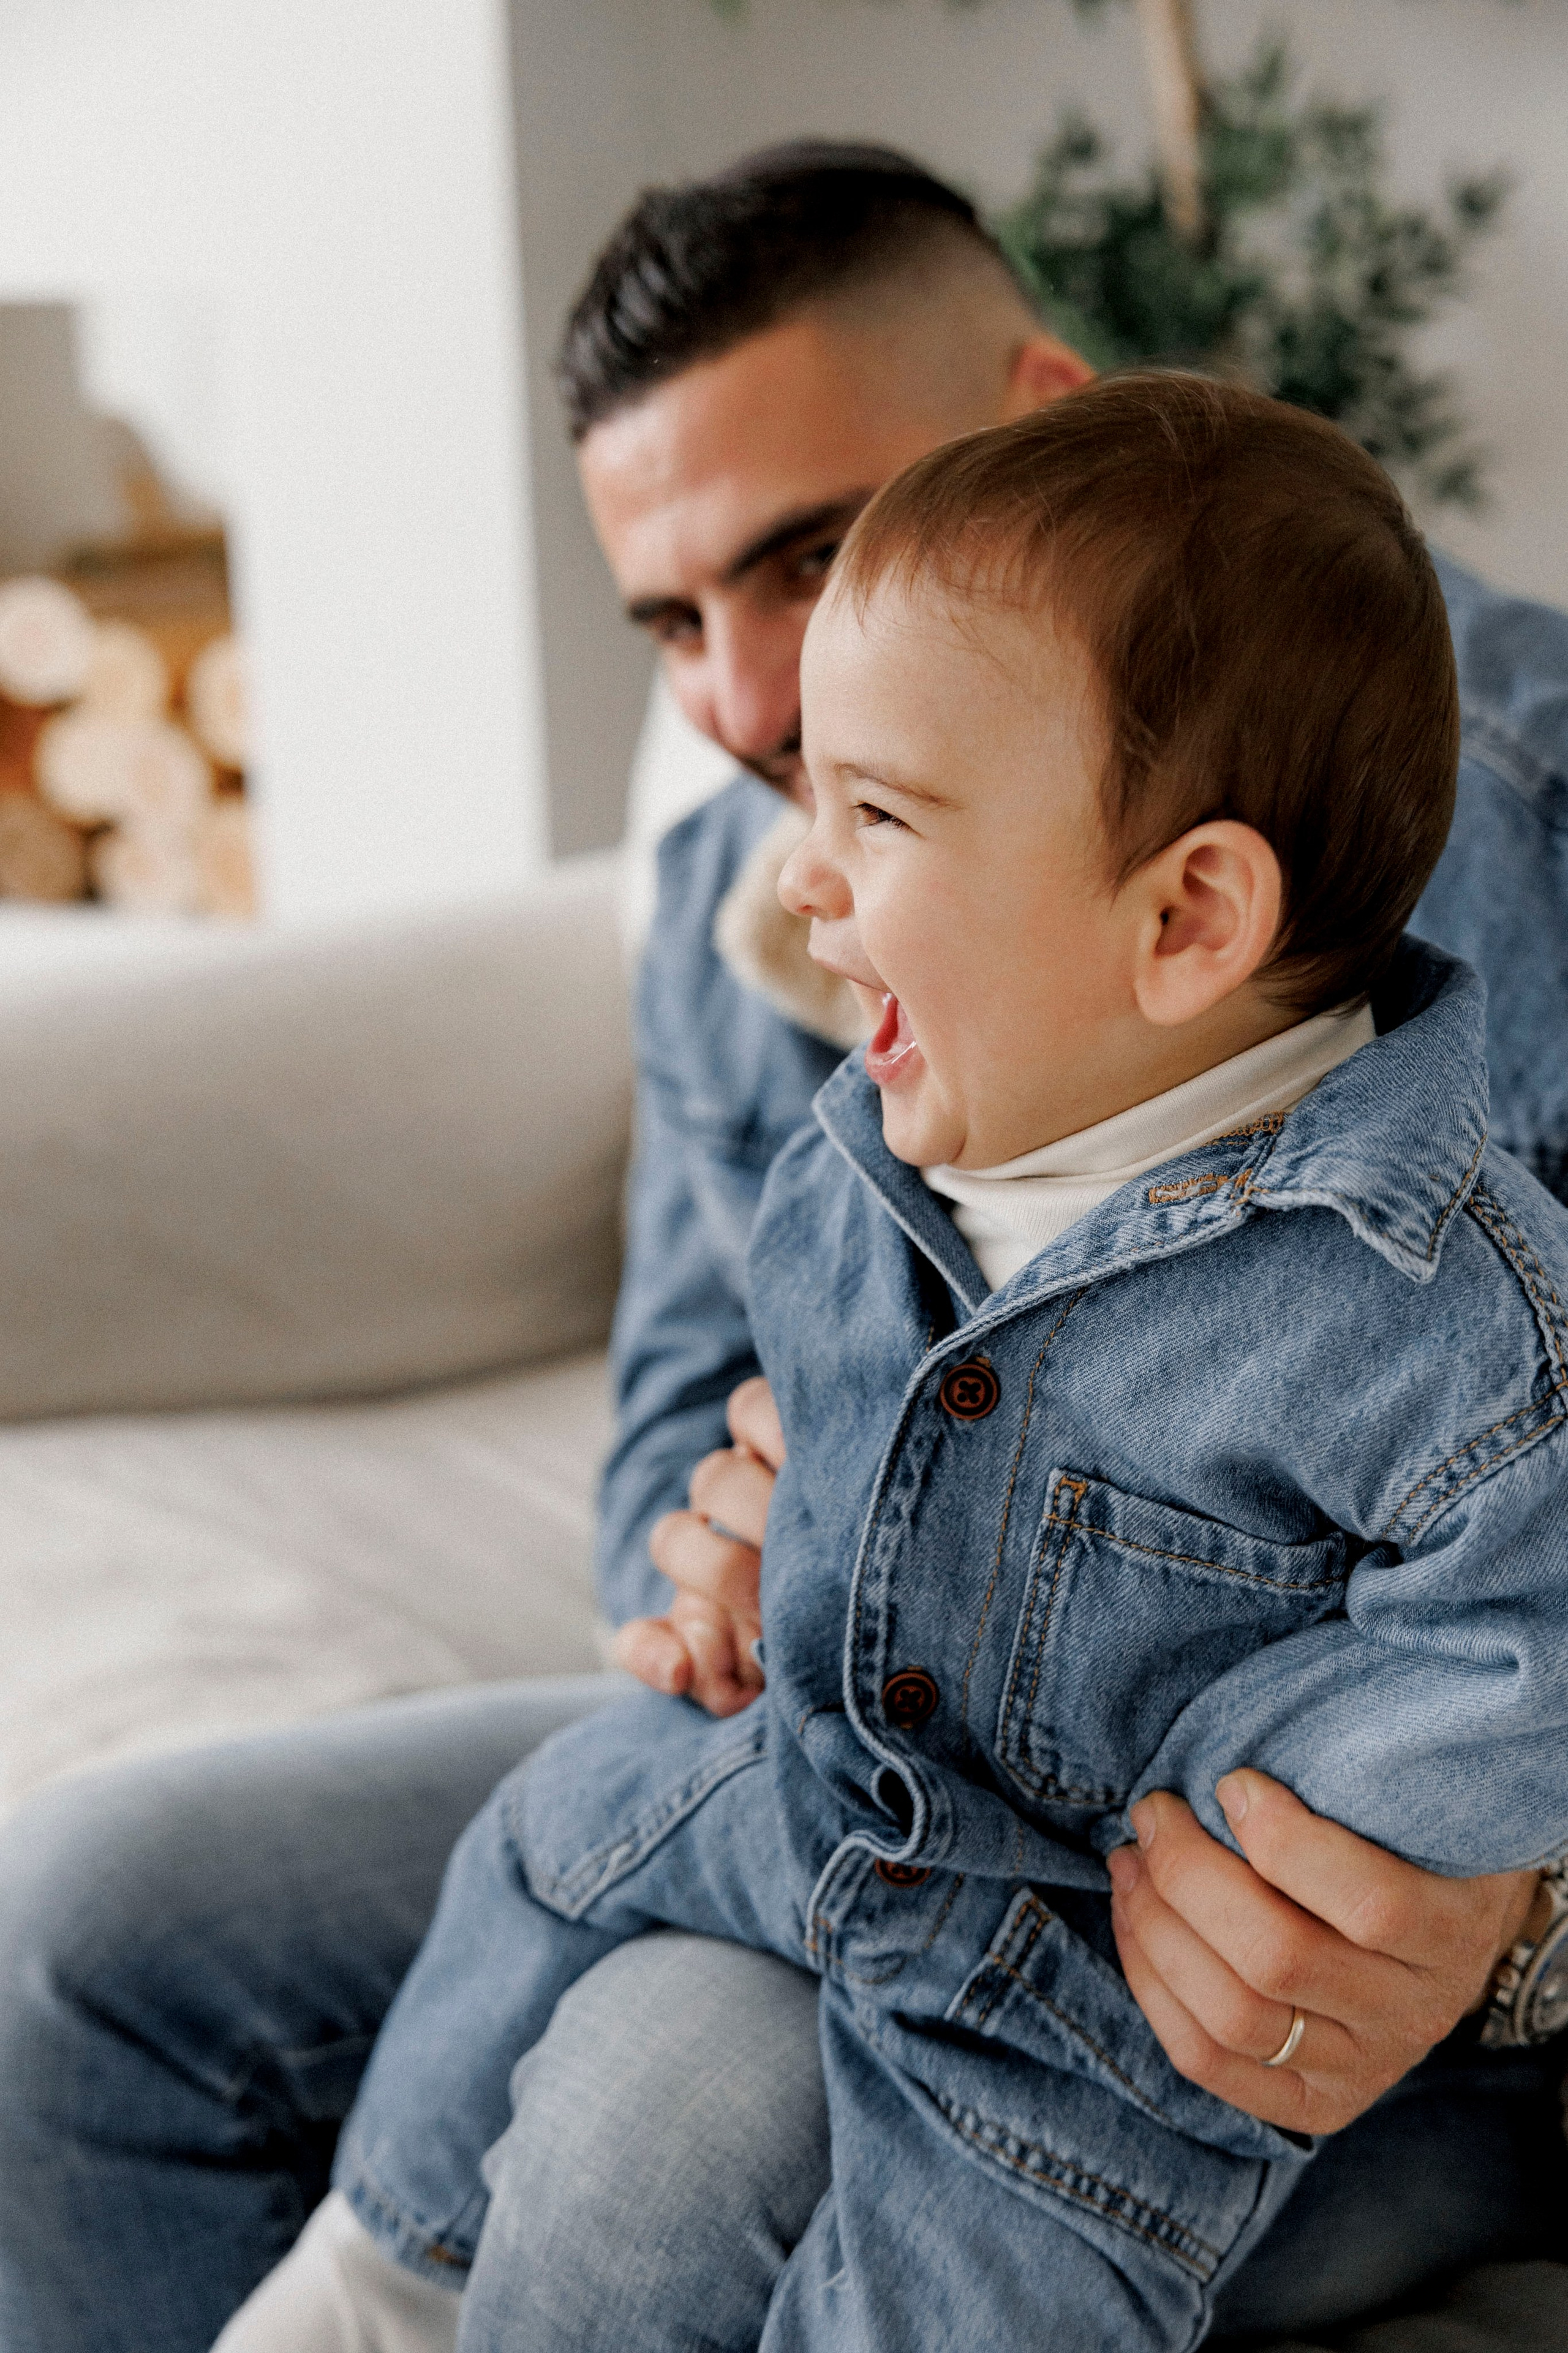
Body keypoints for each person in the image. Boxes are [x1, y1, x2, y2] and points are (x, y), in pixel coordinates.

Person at [0, 143, 1562, 2353]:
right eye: (671, 625)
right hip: (882, 1725)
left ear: (1041, 409)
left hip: (1245, 1944)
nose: (740, 708)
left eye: (812, 560)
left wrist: (1513, 1907)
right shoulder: (757, 887)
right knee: (80, 1928)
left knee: (664, 2098)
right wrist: (735, 1551)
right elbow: (674, 1428)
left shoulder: (1502, 834)